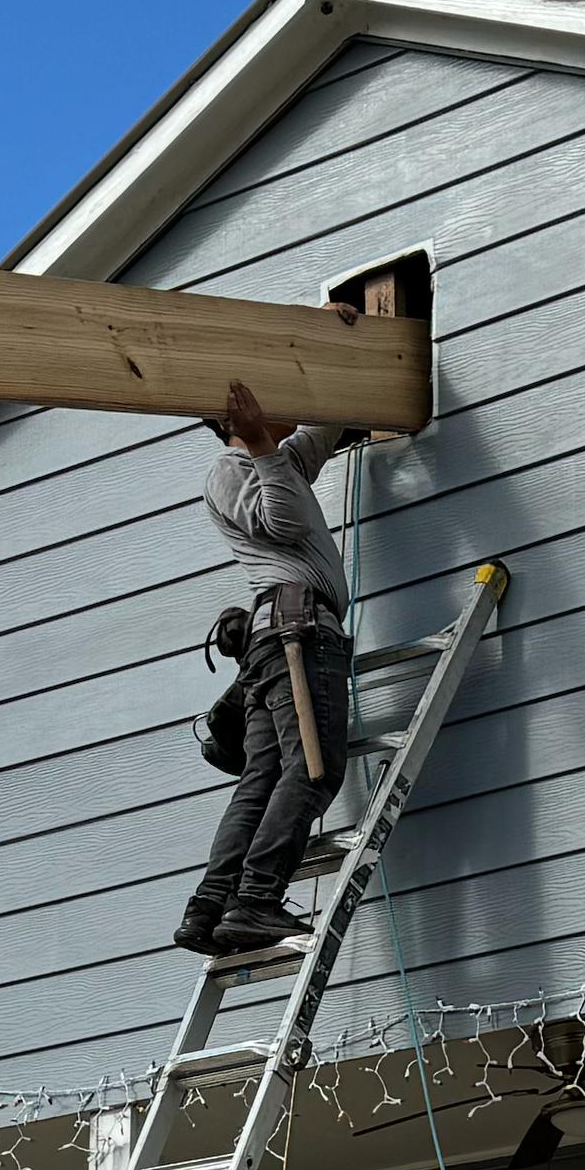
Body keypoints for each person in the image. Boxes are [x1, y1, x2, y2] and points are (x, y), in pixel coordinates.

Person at [177, 378, 358, 958]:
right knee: (313, 770)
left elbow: (325, 427)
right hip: (295, 636)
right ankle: (255, 900)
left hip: (280, 640)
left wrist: (338, 352)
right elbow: (284, 525)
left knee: (263, 780)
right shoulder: (231, 469)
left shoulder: (278, 464)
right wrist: (257, 442)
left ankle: (211, 905)